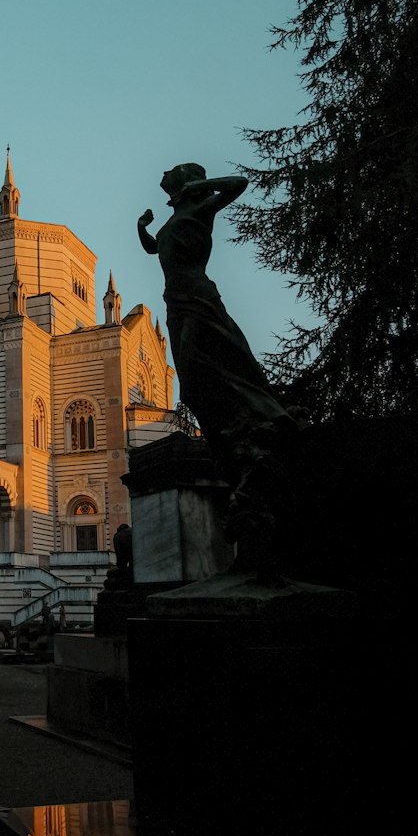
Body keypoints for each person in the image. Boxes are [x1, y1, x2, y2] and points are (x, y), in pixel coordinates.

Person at [138, 164, 297, 556]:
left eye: (171, 178)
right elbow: (153, 248)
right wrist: (141, 227)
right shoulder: (173, 222)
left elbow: (239, 184)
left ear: (184, 183)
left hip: (198, 298)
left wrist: (201, 186)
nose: (165, 181)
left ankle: (265, 415)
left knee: (222, 362)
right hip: (175, 304)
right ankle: (233, 431)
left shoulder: (199, 210)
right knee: (192, 384)